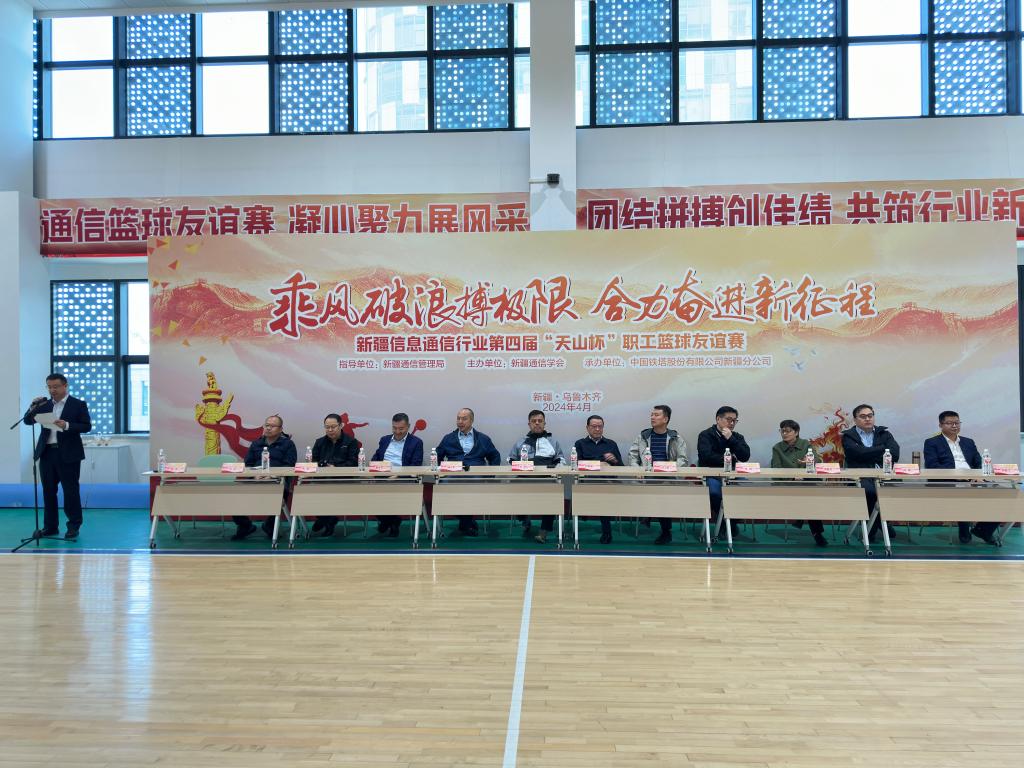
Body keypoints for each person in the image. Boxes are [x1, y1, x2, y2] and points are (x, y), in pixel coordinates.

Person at [23, 373, 91, 539]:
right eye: (49, 387)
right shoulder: (44, 405)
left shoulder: (78, 404)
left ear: (65, 386)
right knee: (48, 491)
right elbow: (27, 421)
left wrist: (66, 425)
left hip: (68, 454)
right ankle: (50, 527)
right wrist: (32, 406)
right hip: (47, 452)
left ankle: (73, 526)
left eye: (56, 387)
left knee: (70, 491)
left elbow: (86, 426)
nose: (52, 390)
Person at [922, 410, 997, 545]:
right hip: (947, 482)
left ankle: (983, 530)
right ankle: (964, 526)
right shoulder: (932, 442)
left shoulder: (968, 442)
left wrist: (978, 476)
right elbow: (932, 466)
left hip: (973, 480)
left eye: (957, 422)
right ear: (940, 425)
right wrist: (964, 477)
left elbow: (978, 463)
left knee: (1003, 493)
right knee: (963, 492)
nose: (954, 426)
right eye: (949, 423)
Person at [434, 408, 501, 536]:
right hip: (452, 475)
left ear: (472, 420)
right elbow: (437, 456)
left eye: (464, 419)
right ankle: (468, 522)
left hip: (475, 476)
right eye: (458, 418)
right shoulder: (448, 438)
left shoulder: (483, 438)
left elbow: (495, 456)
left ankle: (465, 523)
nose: (460, 421)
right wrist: (439, 471)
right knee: (443, 486)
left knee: (472, 484)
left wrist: (490, 475)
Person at [627, 405, 688, 545]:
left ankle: (664, 529)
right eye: (651, 415)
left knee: (661, 493)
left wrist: (670, 468)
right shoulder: (643, 436)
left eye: (656, 415)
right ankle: (652, 518)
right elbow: (632, 456)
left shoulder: (676, 438)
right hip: (646, 477)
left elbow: (683, 459)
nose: (652, 417)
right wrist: (637, 471)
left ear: (665, 419)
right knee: (655, 491)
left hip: (668, 478)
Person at [232, 414, 297, 540]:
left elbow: (290, 465)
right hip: (255, 480)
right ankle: (245, 525)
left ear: (280, 429)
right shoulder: (256, 444)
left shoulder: (288, 444)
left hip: (277, 481)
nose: (268, 428)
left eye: (273, 426)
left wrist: (272, 475)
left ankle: (270, 526)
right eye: (267, 425)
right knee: (234, 494)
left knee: (279, 492)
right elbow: (248, 464)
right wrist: (254, 475)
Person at [841, 404, 900, 542]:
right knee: (870, 492)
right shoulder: (848, 436)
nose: (867, 419)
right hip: (859, 477)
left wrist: (867, 453)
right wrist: (882, 449)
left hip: (884, 476)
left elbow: (894, 454)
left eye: (870, 415)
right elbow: (856, 454)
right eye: (863, 416)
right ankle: (874, 529)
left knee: (895, 491)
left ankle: (877, 524)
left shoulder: (884, 433)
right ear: (855, 419)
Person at [509, 410, 565, 543]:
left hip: (547, 479)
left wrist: (554, 469)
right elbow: (510, 459)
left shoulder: (553, 441)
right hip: (524, 479)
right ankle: (525, 520)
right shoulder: (520, 442)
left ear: (545, 423)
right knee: (513, 488)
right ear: (529, 424)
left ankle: (543, 531)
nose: (537, 423)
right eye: (534, 421)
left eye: (540, 421)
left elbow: (561, 460)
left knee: (553, 494)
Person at [770, 419, 827, 547]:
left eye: (788, 431)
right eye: (782, 431)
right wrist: (792, 478)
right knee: (809, 498)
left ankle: (802, 520)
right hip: (788, 484)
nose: (784, 433)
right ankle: (817, 533)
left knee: (809, 494)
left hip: (807, 483)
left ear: (796, 432)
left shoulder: (806, 444)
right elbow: (776, 469)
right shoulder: (777, 448)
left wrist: (810, 461)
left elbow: (817, 461)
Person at [697, 406, 750, 539]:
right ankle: (727, 523)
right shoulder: (705, 435)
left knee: (747, 490)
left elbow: (745, 456)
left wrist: (731, 439)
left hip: (733, 475)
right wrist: (730, 458)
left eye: (734, 420)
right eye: (728, 419)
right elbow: (705, 457)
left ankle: (729, 522)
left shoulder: (736, 437)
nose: (732, 423)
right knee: (715, 493)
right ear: (718, 419)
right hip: (711, 474)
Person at [371, 412, 424, 537]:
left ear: (408, 427)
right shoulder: (384, 440)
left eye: (401, 428)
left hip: (403, 479)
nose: (397, 431)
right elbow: (375, 458)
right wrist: (374, 469)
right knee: (365, 492)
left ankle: (388, 521)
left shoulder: (416, 442)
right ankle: (392, 520)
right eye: (394, 428)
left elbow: (415, 465)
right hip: (383, 476)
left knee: (386, 490)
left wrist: (399, 475)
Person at [574, 415, 623, 544]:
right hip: (587, 482)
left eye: (600, 426)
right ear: (587, 428)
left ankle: (606, 532)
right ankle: (606, 530)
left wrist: (614, 460)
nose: (597, 429)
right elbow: (577, 464)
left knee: (604, 492)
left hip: (608, 483)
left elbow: (621, 467)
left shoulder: (611, 444)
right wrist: (600, 462)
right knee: (601, 492)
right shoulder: (580, 443)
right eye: (594, 426)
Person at [310, 412, 360, 537]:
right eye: (327, 427)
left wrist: (336, 467)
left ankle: (326, 520)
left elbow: (354, 463)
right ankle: (327, 519)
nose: (330, 430)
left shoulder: (351, 442)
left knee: (329, 492)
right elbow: (314, 462)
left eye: (333, 427)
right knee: (306, 492)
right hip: (321, 480)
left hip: (343, 481)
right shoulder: (319, 442)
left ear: (341, 425)